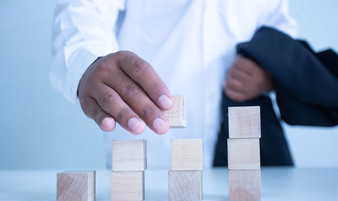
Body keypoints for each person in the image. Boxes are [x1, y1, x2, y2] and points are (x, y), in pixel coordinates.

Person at [50, 0, 297, 168]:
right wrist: (89, 60)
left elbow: (278, 24)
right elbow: (84, 7)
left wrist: (270, 71)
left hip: (248, 148)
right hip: (149, 149)